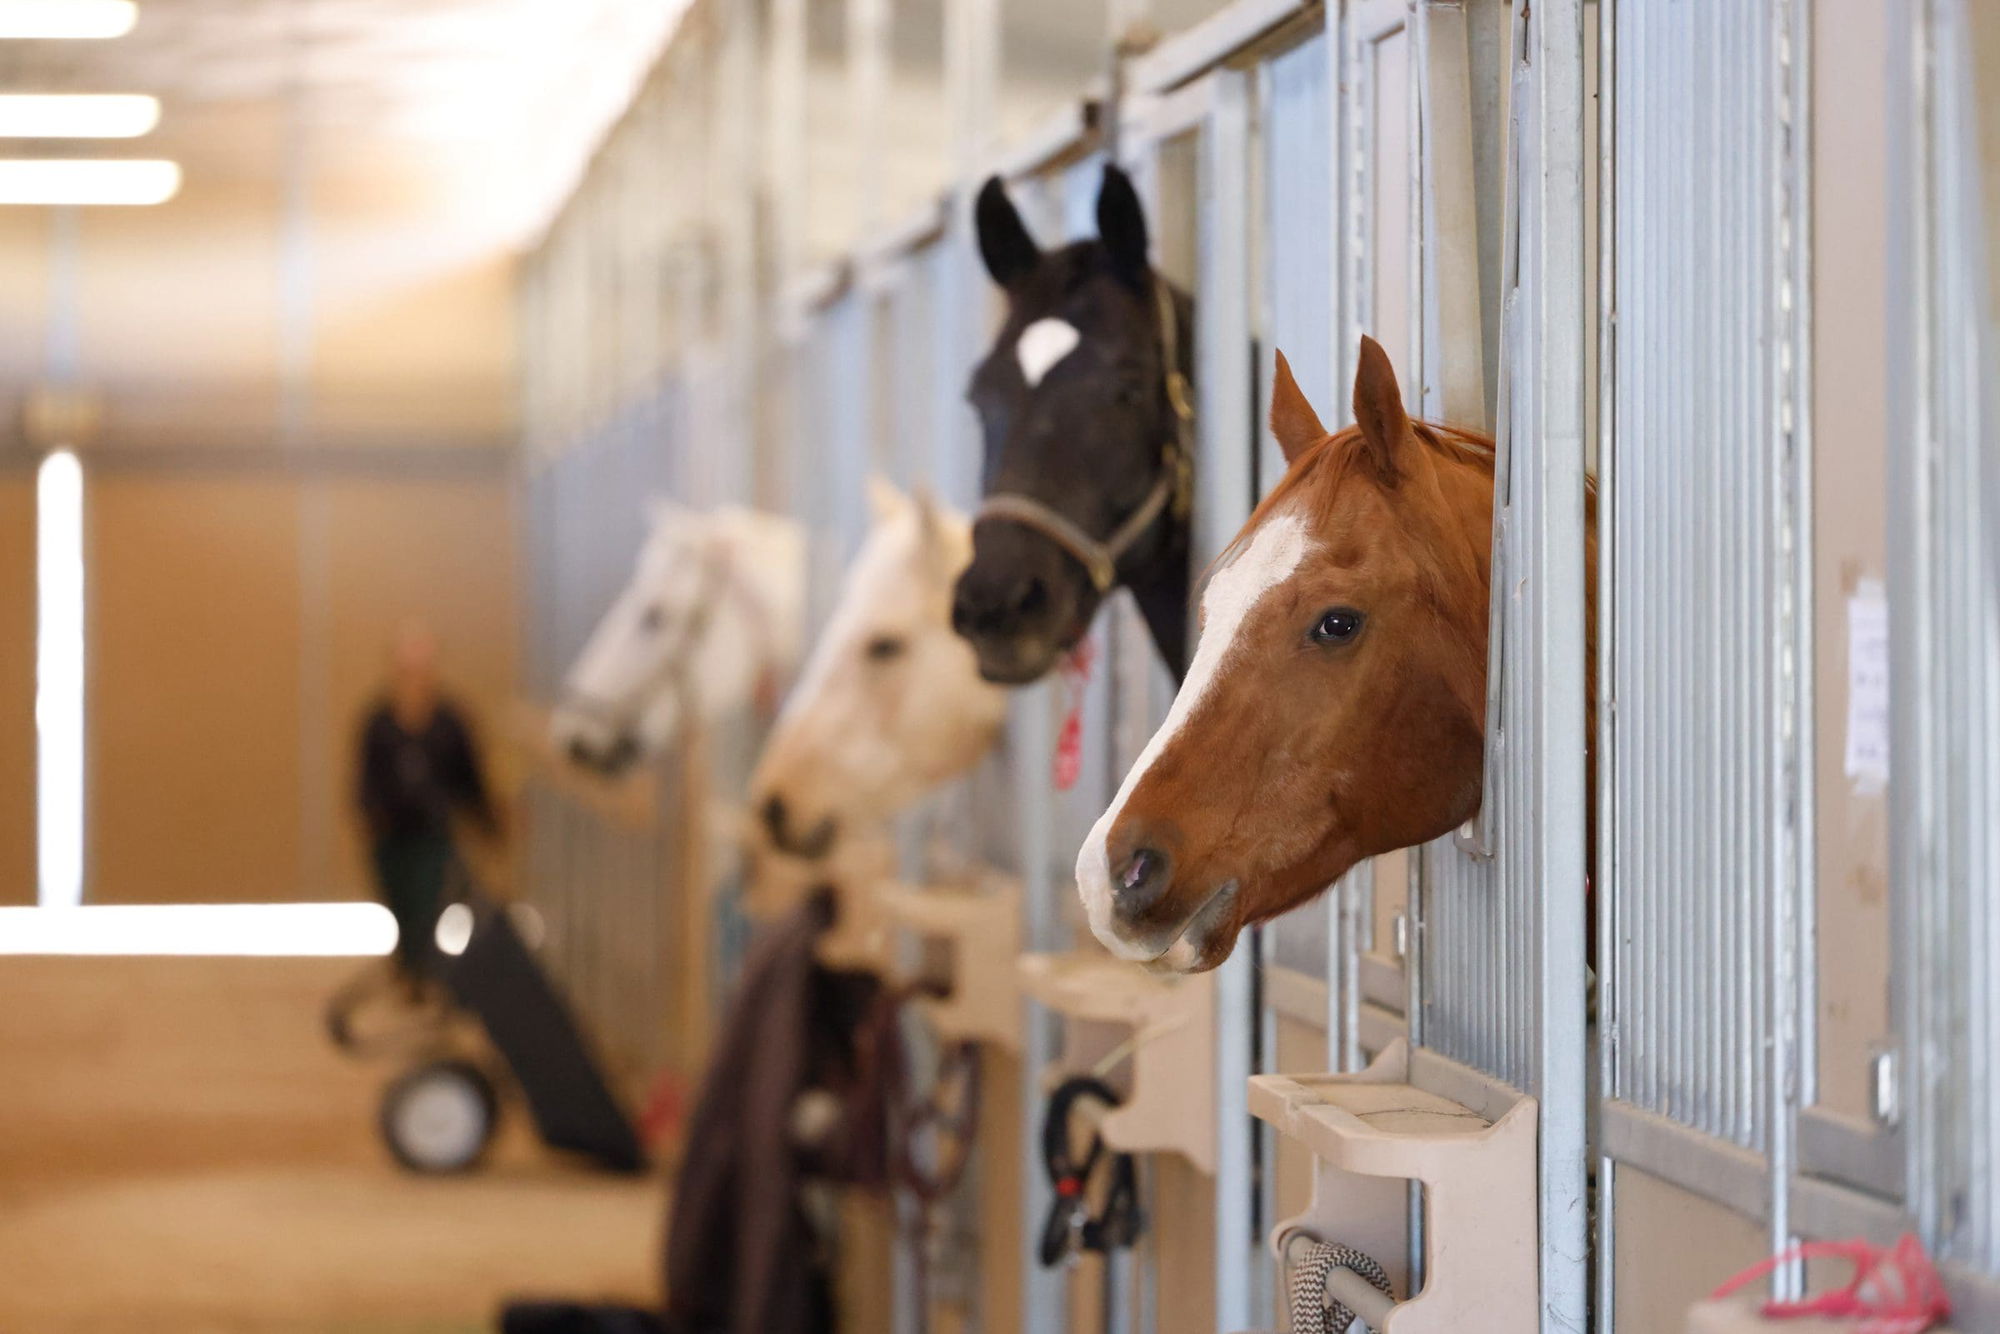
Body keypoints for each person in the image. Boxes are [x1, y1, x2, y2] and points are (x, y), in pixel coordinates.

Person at [356, 621, 501, 985]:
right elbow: (365, 778)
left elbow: (470, 778)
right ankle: (409, 970)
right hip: (391, 834)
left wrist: (489, 822)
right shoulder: (379, 722)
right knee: (402, 905)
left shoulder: (450, 723)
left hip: (432, 834)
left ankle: (424, 974)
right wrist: (370, 815)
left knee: (427, 904)